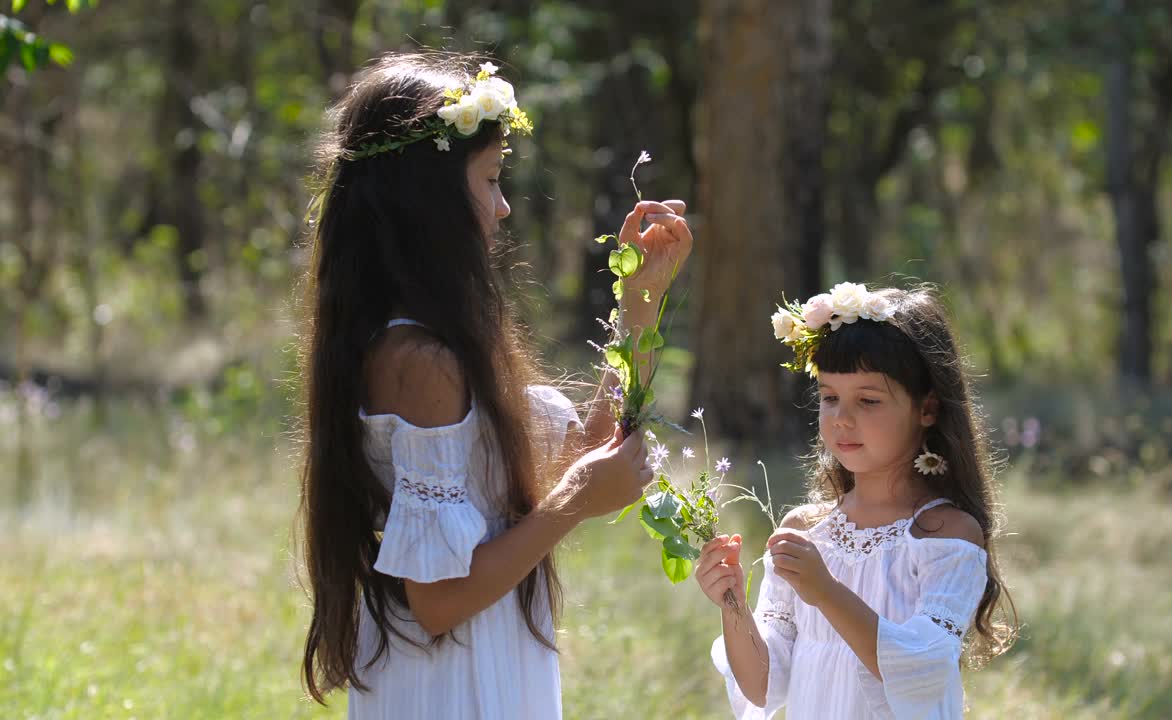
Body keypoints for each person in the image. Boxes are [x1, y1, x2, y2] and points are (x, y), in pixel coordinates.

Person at [294, 52, 692, 719]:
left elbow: (584, 453)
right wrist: (572, 505)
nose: (504, 207)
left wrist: (641, 301)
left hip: (492, 652)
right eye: (490, 179)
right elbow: (438, 600)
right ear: (429, 199)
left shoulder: (449, 338)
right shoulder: (418, 360)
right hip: (447, 682)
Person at [697, 283, 1017, 719]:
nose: (842, 419)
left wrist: (825, 591)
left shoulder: (945, 533)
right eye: (830, 397)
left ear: (927, 409)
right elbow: (762, 685)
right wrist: (731, 601)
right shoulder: (805, 529)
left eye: (868, 400)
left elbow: (920, 671)